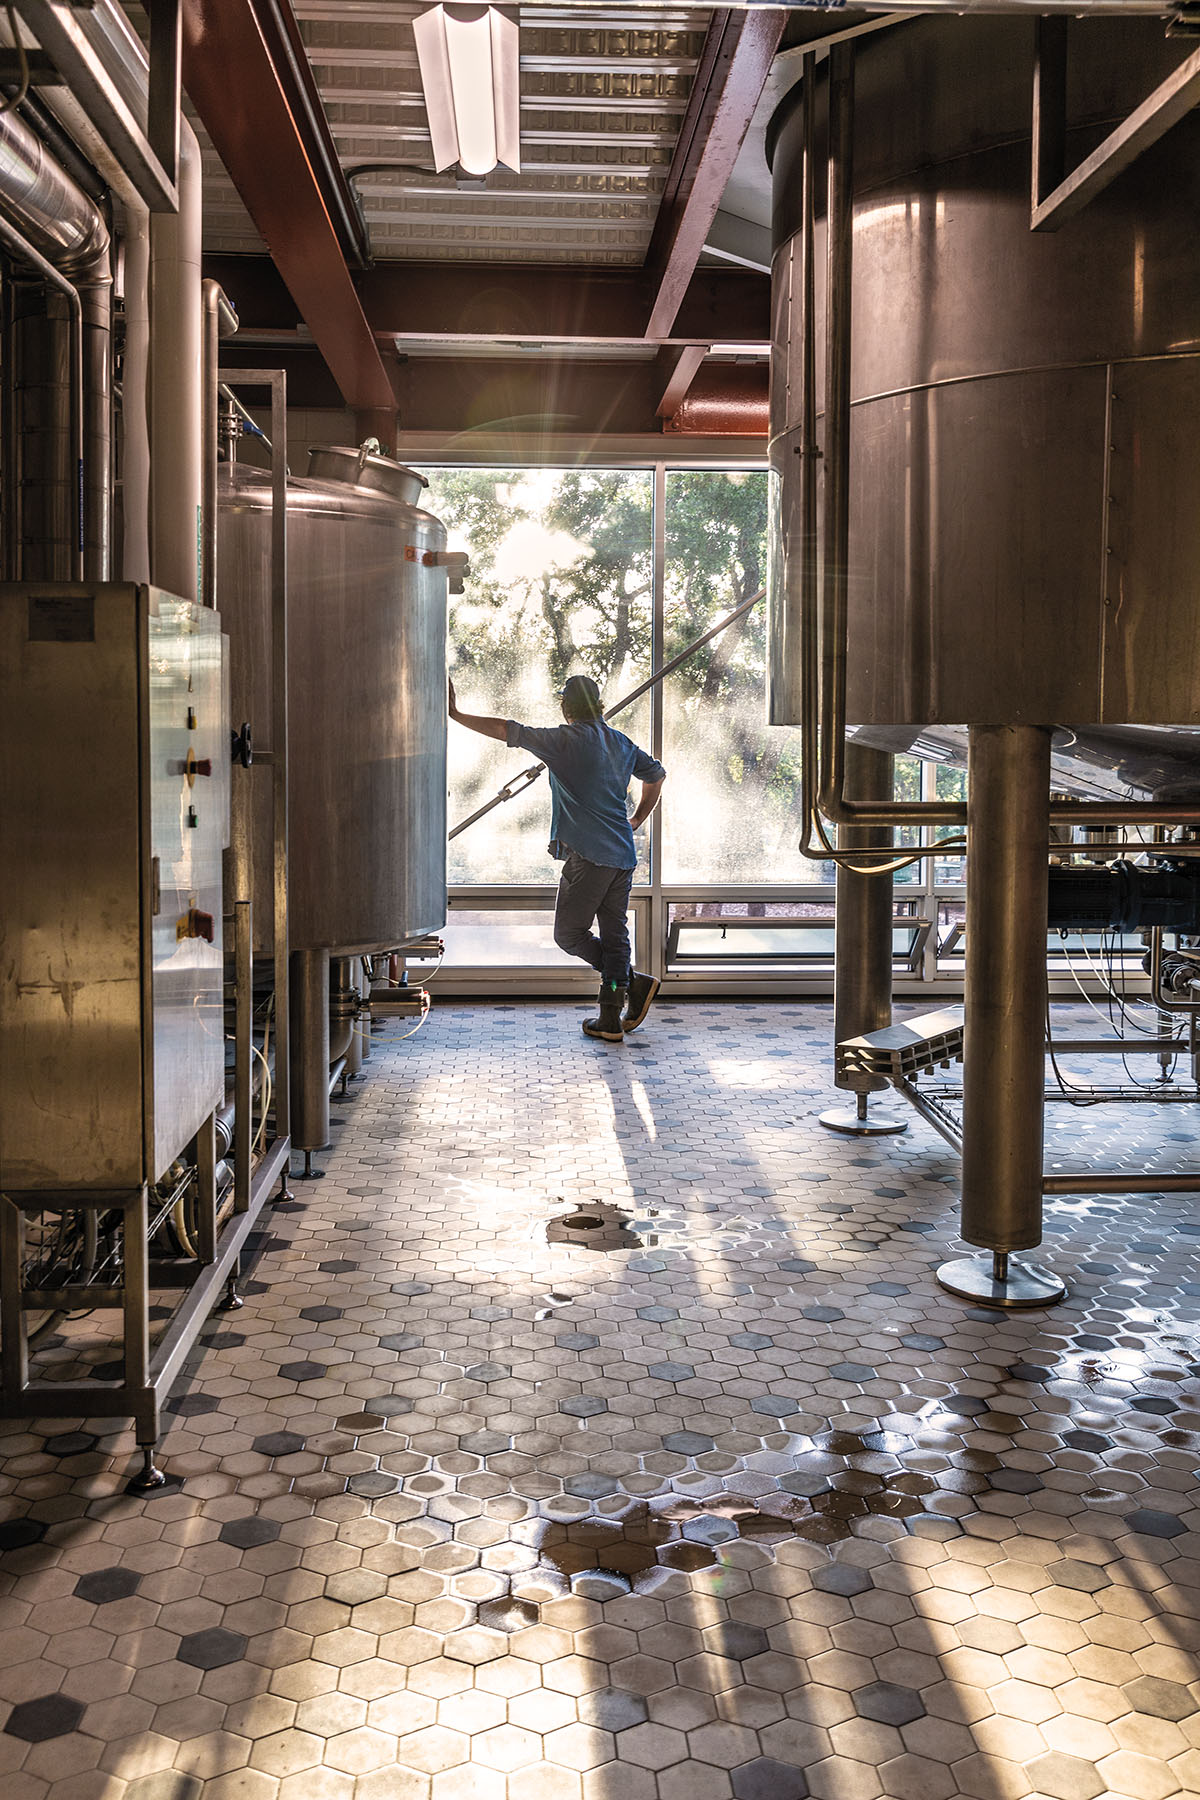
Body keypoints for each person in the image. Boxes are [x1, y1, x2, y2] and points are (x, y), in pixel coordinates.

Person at [449, 672, 666, 1042]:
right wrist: (636, 820)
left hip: (589, 856)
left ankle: (630, 987)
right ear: (598, 706)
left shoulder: (563, 740)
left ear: (566, 707)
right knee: (615, 935)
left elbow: (508, 730)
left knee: (569, 934)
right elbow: (657, 775)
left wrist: (456, 714)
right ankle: (611, 1017)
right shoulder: (620, 742)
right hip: (622, 855)